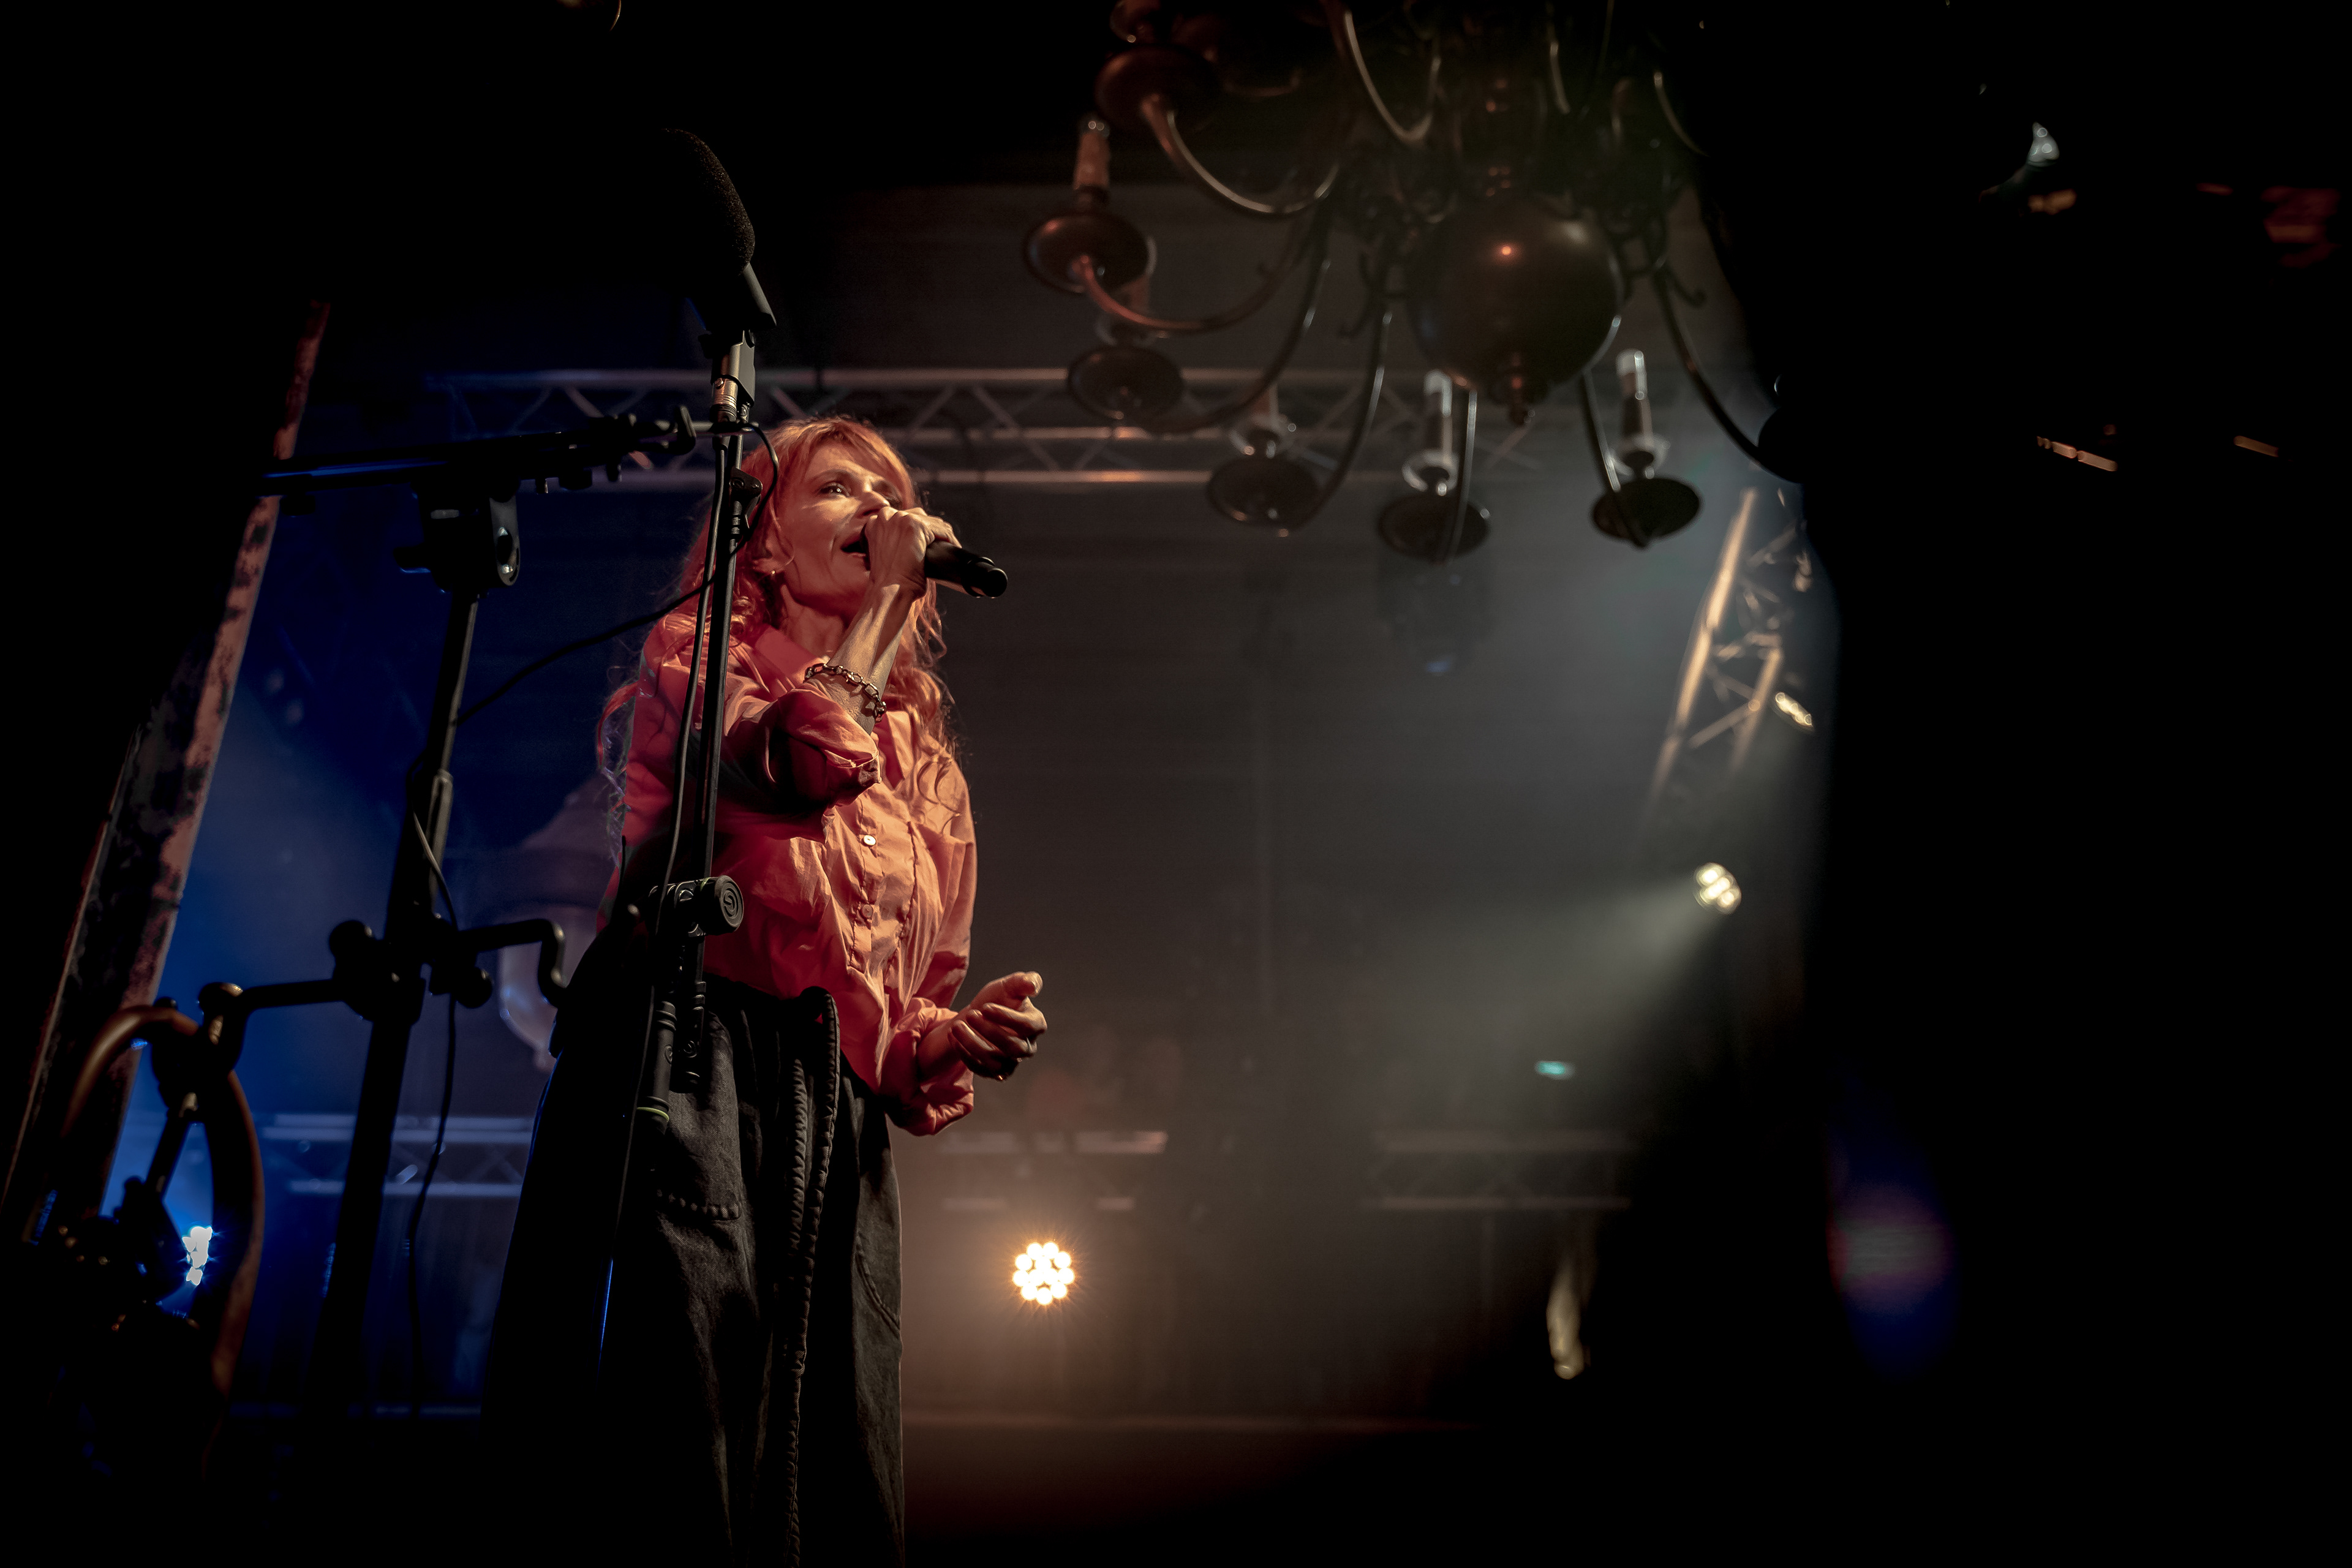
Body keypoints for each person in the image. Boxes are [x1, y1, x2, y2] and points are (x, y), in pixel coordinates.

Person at [484, 417, 1046, 1564]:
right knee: (678, 1428)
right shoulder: (699, 662)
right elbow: (793, 768)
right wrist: (885, 611)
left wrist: (953, 1037)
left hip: (830, 1116)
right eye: (838, 488)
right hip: (693, 1055)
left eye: (889, 490)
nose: (878, 509)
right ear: (769, 541)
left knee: (830, 1461)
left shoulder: (928, 766)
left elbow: (900, 1005)